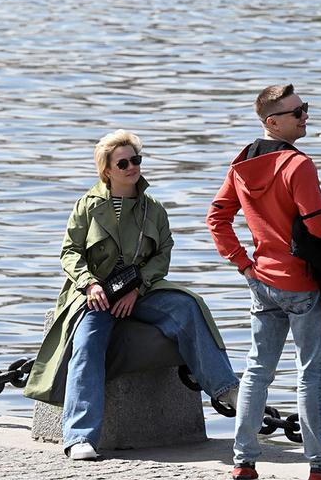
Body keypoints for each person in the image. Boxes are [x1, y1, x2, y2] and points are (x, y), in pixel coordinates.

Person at [24, 129, 239, 461]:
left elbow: (162, 254)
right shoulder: (87, 207)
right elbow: (70, 253)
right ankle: (80, 436)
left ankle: (228, 390)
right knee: (86, 344)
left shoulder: (154, 209)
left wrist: (138, 287)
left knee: (187, 306)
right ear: (107, 170)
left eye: (135, 160)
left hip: (142, 289)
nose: (131, 167)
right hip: (94, 294)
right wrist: (90, 284)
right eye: (122, 163)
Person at [207, 84, 321, 480]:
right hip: (302, 284)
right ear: (272, 121)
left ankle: (243, 462)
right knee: (311, 375)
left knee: (258, 371)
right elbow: (319, 226)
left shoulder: (242, 161)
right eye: (297, 112)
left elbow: (217, 218)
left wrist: (244, 264)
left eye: (305, 109)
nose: (305, 116)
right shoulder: (299, 165)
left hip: (262, 281)